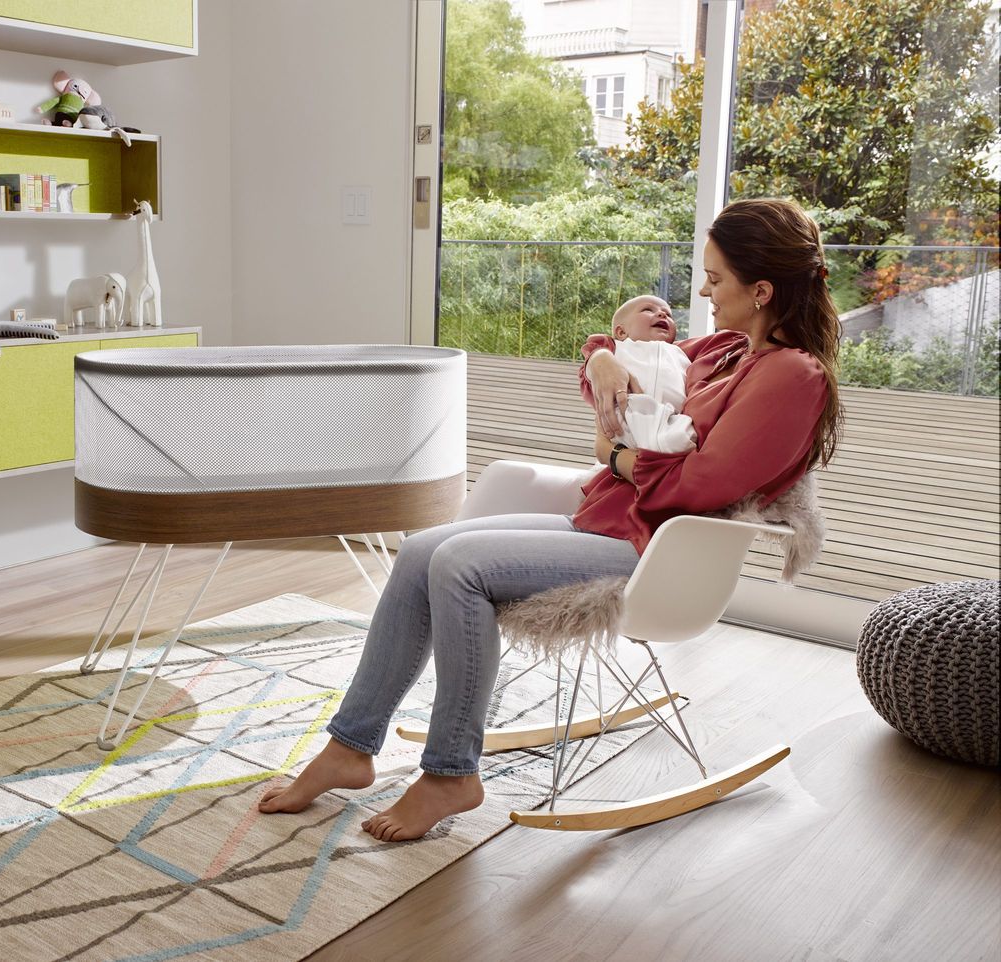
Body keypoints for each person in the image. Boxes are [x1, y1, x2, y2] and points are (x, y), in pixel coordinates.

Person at [258, 198, 842, 841]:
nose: (703, 289)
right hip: (611, 523)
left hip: (660, 552)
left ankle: (452, 772)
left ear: (760, 290)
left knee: (458, 568)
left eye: (717, 278)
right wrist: (602, 357)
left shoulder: (792, 376)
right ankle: (351, 746)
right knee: (424, 548)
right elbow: (625, 359)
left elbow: (700, 487)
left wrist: (616, 455)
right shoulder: (726, 349)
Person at [599, 294, 697, 455]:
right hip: (626, 418)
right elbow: (593, 346)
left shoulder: (680, 353)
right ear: (621, 332)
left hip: (668, 420)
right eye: (648, 310)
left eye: (668, 314)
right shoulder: (617, 349)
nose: (662, 314)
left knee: (683, 439)